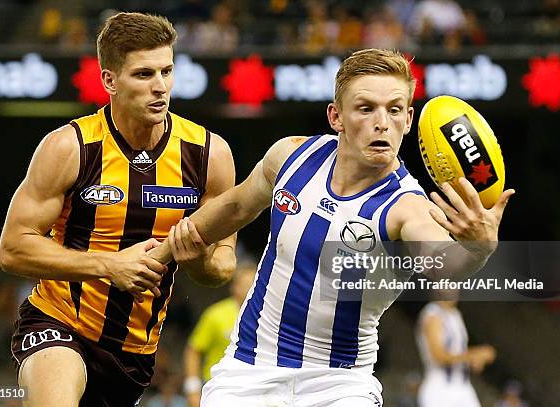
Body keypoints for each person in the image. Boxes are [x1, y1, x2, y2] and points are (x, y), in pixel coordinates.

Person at [149, 48, 514, 406]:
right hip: (248, 371)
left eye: (395, 110)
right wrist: (157, 256)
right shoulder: (290, 157)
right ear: (336, 116)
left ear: (408, 119)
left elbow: (446, 266)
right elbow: (234, 207)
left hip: (341, 384)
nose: (382, 122)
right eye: (366, 108)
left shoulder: (409, 208)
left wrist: (478, 249)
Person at [0, 12, 236, 407]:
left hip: (134, 353)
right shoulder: (69, 147)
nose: (161, 87)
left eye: (167, 71)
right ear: (109, 80)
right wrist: (109, 266)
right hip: (58, 323)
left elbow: (222, 267)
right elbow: (13, 249)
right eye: (144, 75)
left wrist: (197, 261)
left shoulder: (209, 154)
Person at [183, 264, 256, 407]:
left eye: (254, 283)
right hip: (218, 389)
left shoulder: (266, 317)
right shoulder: (215, 314)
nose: (251, 288)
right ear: (234, 287)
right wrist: (192, 388)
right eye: (246, 284)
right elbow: (193, 350)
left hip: (252, 390)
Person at [416, 293, 496, 407]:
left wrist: (477, 360)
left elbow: (459, 352)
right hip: (440, 388)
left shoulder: (455, 315)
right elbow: (438, 355)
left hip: (463, 386)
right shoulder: (432, 314)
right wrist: (473, 354)